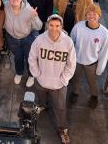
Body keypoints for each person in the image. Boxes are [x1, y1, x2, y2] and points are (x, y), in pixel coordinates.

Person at [28, 14, 76, 144]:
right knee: (42, 98)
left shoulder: (68, 42)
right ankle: (43, 105)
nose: (54, 28)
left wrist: (63, 80)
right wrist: (37, 74)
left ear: (61, 26)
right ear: (47, 25)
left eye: (57, 26)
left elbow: (71, 64)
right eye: (51, 25)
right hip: (41, 80)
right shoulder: (39, 39)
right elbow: (32, 58)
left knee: (60, 108)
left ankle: (62, 130)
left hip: (59, 84)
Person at [69, 4, 108, 109]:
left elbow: (104, 52)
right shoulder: (78, 27)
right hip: (77, 61)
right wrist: (69, 60)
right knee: (75, 79)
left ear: (99, 16)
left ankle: (94, 96)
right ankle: (75, 92)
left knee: (92, 81)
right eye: (88, 14)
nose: (91, 16)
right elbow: (70, 42)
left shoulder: (104, 33)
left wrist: (100, 68)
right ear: (85, 15)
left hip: (92, 63)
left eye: (94, 14)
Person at [4, 0, 42, 88]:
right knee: (18, 57)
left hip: (27, 38)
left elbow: (39, 27)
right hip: (12, 38)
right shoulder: (5, 6)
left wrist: (35, 17)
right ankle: (19, 73)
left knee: (30, 58)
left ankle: (31, 75)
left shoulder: (29, 10)